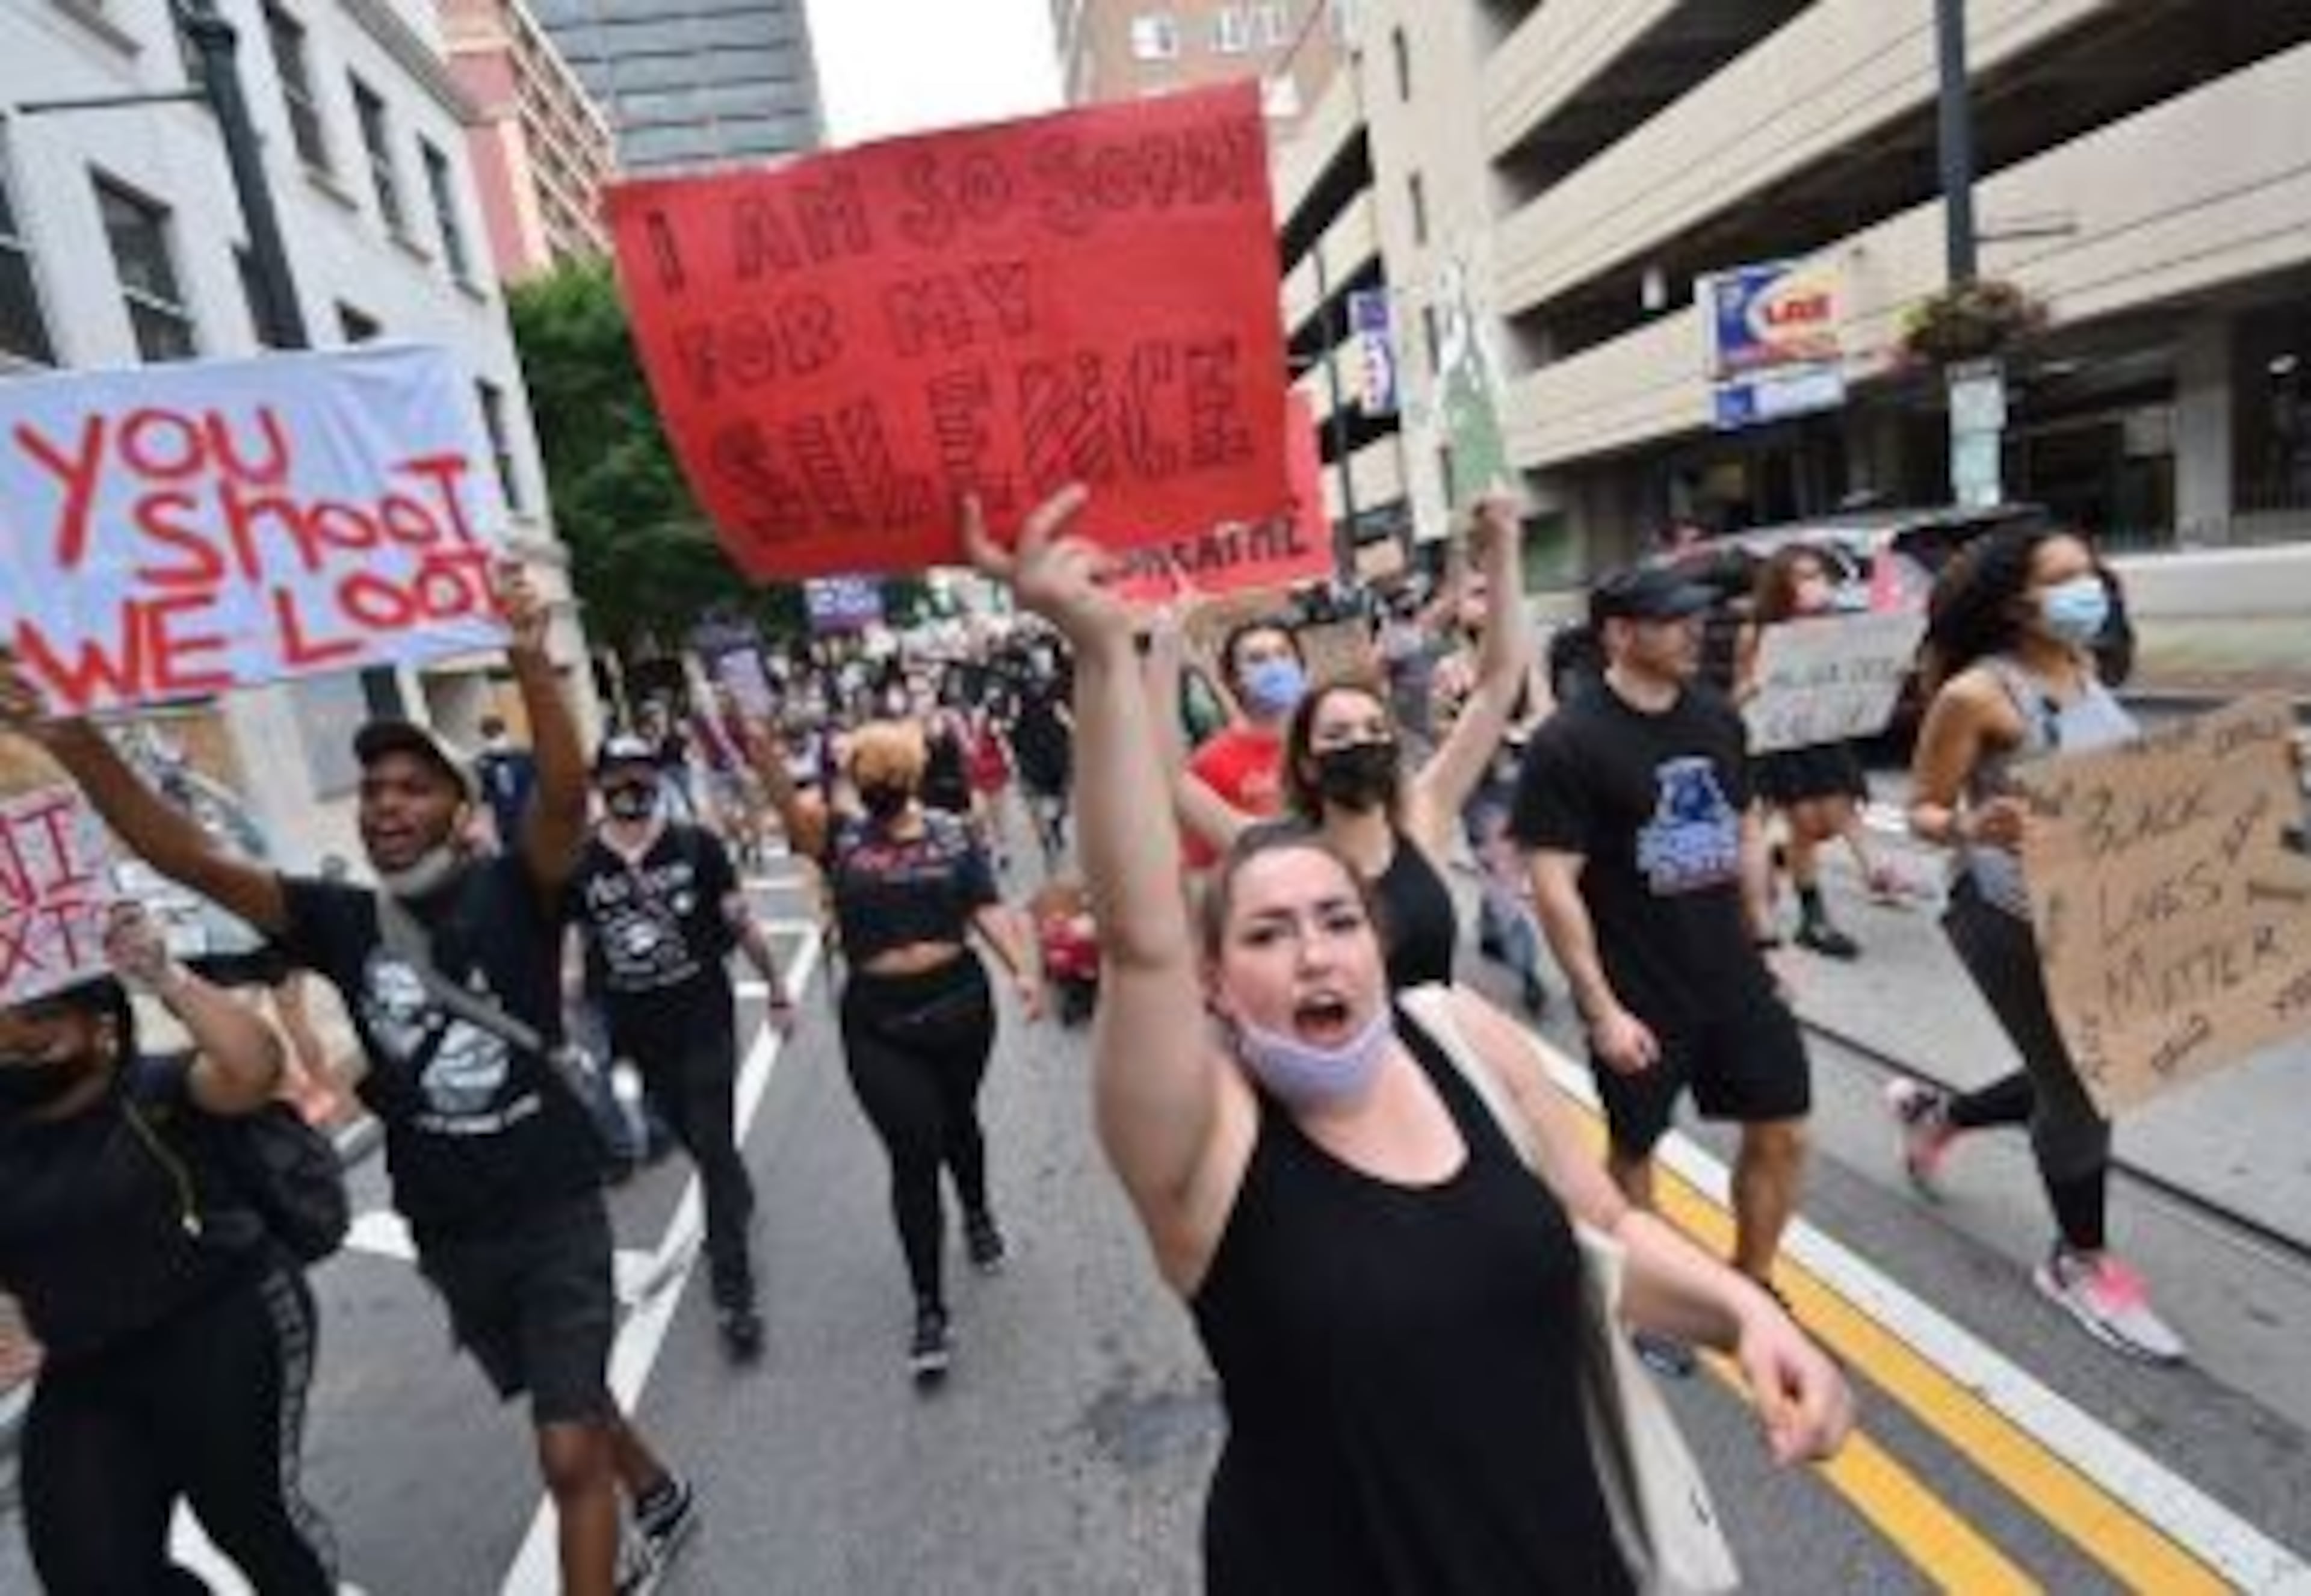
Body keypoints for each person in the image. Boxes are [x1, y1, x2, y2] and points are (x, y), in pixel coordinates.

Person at [962, 483, 1848, 1595]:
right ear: (1214, 982)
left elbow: (1608, 1231)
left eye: (1339, 922)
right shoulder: (1206, 1139)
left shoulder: (1465, 1036)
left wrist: (1744, 1313)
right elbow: (1140, 936)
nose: (1315, 953)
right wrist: (1105, 654)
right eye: (1268, 934)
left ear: (1380, 943)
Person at [0, 568, 696, 1596]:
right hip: (450, 1228)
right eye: (373, 790)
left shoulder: (520, 888)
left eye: (415, 787)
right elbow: (183, 855)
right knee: (571, 1396)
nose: (387, 803)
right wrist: (74, 742)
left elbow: (562, 797)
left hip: (556, 1210)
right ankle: (660, 1488)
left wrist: (529, 658)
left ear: (461, 811)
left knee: (564, 1453)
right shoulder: (338, 920)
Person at [1886, 526, 2186, 1363]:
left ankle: (1939, 1116)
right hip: (2008, 914)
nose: (2093, 586)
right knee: (2085, 1092)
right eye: (2067, 578)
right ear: (2017, 603)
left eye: (2092, 570)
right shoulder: (1977, 694)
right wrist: (1971, 825)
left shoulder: (2083, 665)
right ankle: (2077, 1262)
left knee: (2081, 1068)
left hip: (2100, 909)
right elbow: (1922, 809)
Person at [1514, 566, 1814, 1377]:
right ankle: (1647, 1300)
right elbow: (1553, 882)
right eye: (1673, 619)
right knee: (1636, 1150)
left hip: (1733, 974)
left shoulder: (1715, 716)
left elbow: (1744, 827)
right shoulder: (1569, 742)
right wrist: (1601, 1008)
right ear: (1619, 633)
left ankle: (1752, 1282)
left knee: (1784, 1128)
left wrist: (1766, 941)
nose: (1695, 631)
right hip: (1640, 987)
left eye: (1697, 617)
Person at [0, 905, 338, 1594]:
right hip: (87, 1365)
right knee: (91, 1570)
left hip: (224, 1328)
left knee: (253, 1524)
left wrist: (164, 974)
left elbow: (255, 1067)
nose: (14, 1049)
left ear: (102, 1028)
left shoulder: (157, 1091)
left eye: (38, 1034)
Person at [753, 717, 1042, 1385]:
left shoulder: (954, 833)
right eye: (868, 774)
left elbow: (986, 909)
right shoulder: (838, 836)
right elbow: (787, 809)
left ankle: (977, 1213)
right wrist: (761, 750)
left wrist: (1023, 971)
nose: (879, 783)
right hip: (879, 1022)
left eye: (889, 772)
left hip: (960, 1006)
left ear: (911, 776)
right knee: (914, 1152)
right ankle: (929, 1309)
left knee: (959, 1122)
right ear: (856, 781)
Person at [1165, 498, 1533, 991]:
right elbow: (1167, 776)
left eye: (1373, 729)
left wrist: (1504, 552)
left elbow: (1498, 684)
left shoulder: (1424, 816)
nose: (1360, 741)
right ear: (1307, 763)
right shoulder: (1276, 846)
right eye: (1337, 735)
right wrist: (1166, 643)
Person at [567, 735, 795, 1361]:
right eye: (617, 774)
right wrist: (567, 1006)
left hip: (705, 1022)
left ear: (657, 777)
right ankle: (734, 1192)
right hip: (638, 1035)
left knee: (713, 1148)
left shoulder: (697, 846)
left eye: (640, 772)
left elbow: (740, 921)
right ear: (599, 784)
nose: (629, 785)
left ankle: (734, 1297)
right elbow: (571, 947)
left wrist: (777, 989)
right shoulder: (581, 865)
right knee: (692, 1138)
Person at [1733, 546, 1898, 959]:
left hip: (1824, 733)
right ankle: (1796, 906)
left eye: (1818, 575)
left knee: (1836, 806)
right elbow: (1738, 696)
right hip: (1778, 739)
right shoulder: (1757, 633)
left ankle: (1861, 876)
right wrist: (1754, 690)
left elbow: (1857, 675)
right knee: (1799, 823)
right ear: (1781, 585)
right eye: (1802, 576)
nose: (1814, 585)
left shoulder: (1834, 626)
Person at [474, 714, 540, 855]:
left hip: (529, 816)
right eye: (490, 736)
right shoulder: (483, 764)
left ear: (504, 733)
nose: (495, 741)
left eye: (497, 735)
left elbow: (538, 784)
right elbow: (484, 799)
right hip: (504, 823)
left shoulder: (523, 757)